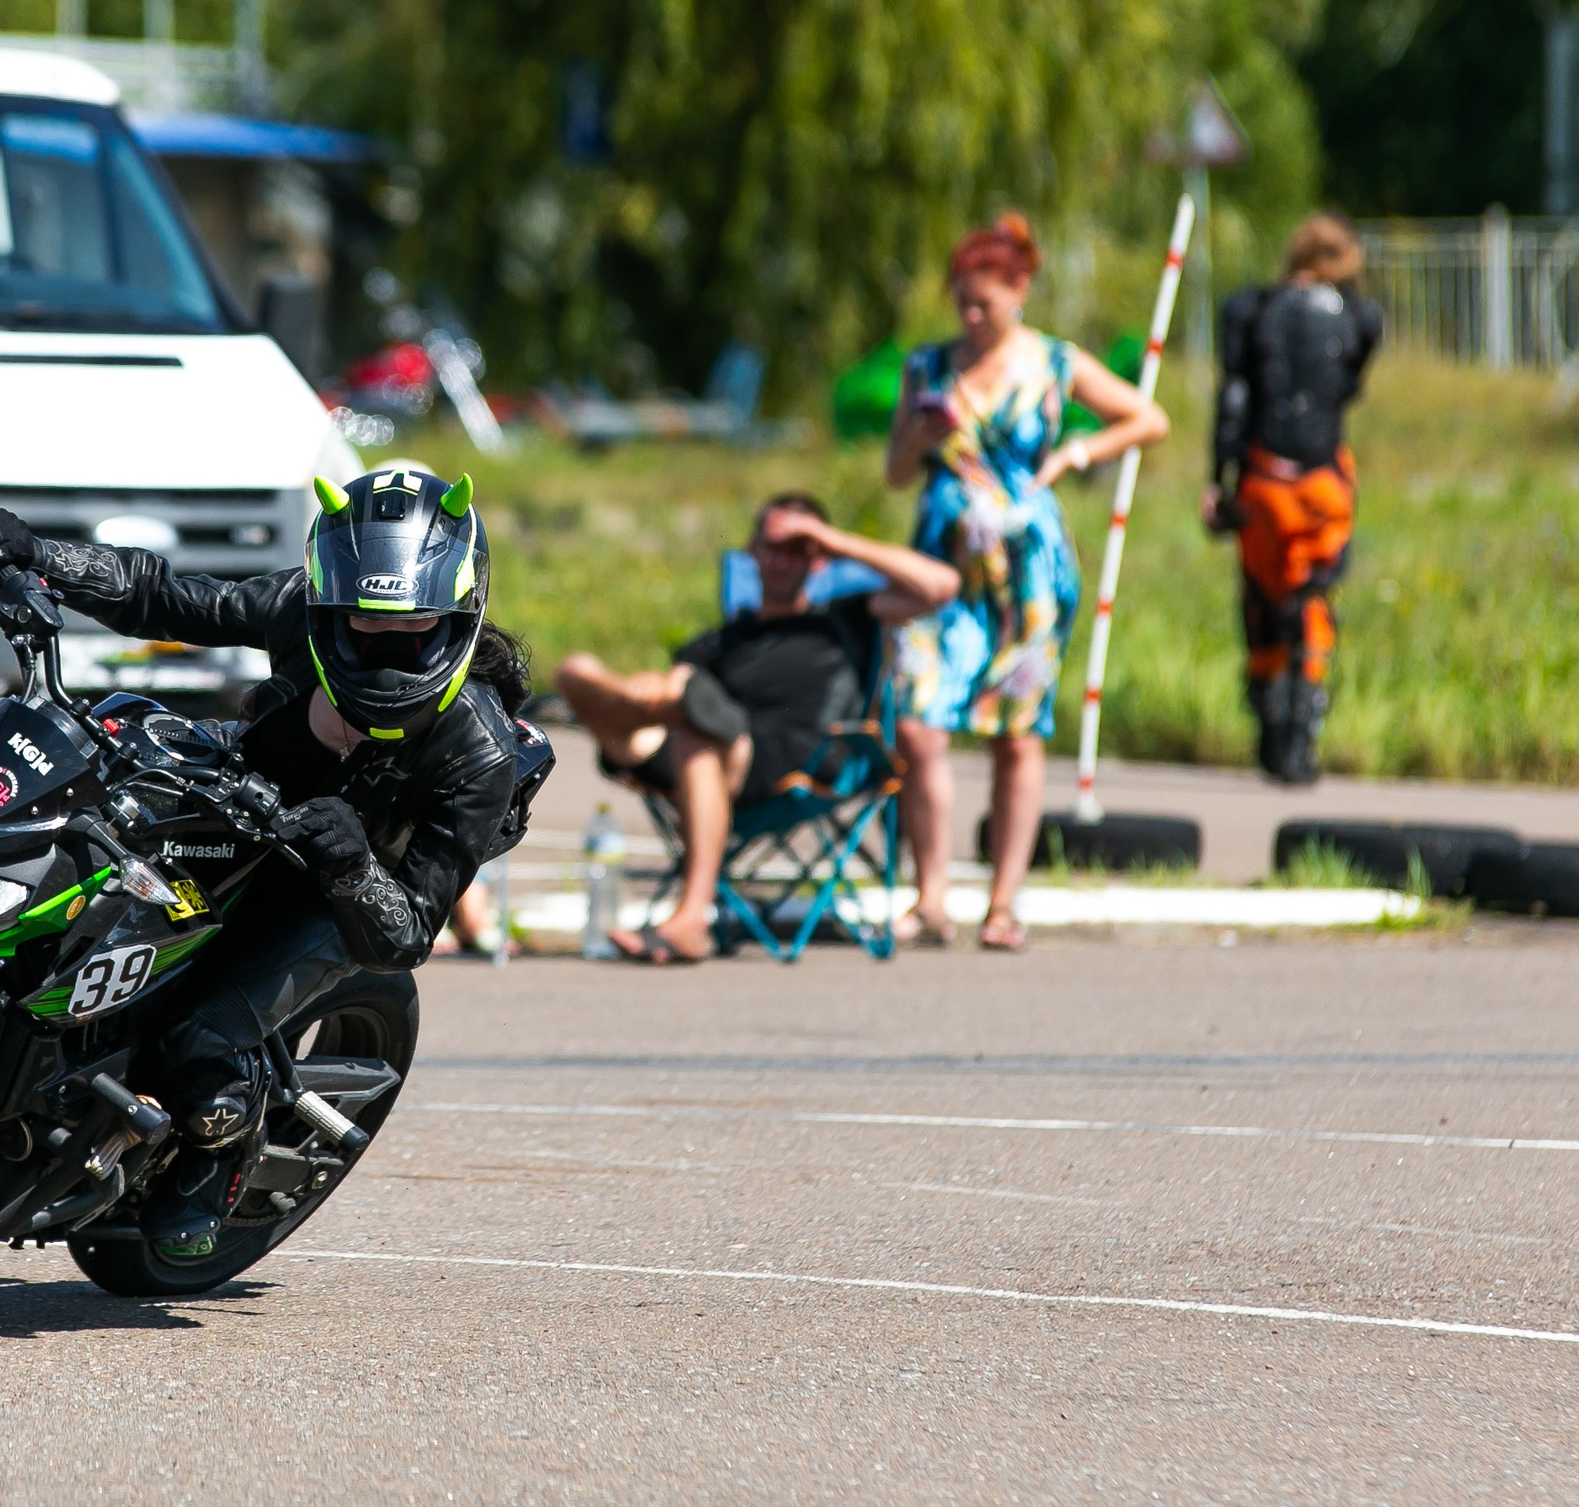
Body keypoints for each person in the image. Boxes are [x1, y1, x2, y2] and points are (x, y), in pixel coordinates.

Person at [0, 466, 535, 1262]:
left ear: (459, 614)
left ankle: (217, 1146)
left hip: (345, 894)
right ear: (327, 605)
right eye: (364, 625)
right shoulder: (296, 604)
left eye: (414, 626)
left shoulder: (480, 753)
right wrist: (38, 552)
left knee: (200, 1034)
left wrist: (354, 864)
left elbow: (407, 934)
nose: (388, 649)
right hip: (241, 799)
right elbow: (170, 597)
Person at [884, 213, 1170, 950]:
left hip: (1030, 572)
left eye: (984, 302)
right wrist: (919, 432)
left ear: (1021, 289)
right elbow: (894, 474)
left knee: (1017, 730)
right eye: (962, 304)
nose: (971, 317)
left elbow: (1147, 417)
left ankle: (1004, 901)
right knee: (918, 720)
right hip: (943, 564)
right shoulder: (928, 367)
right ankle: (931, 896)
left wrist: (1078, 453)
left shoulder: (1054, 362)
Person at [554, 494, 960, 963]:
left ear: (820, 557)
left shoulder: (846, 619)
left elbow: (942, 586)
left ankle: (691, 920)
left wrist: (831, 541)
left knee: (693, 728)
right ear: (751, 551)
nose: (783, 559)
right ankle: (654, 701)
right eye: (773, 546)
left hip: (799, 757)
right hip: (702, 757)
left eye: (798, 548)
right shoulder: (724, 641)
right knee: (579, 670)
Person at [1206, 213, 1381, 785]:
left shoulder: (1253, 310)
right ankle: (1302, 737)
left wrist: (1219, 478)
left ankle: (1270, 730)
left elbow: (1234, 399)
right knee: (1314, 598)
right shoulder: (1357, 316)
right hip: (1324, 482)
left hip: (1264, 478)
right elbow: (1351, 383)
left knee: (1262, 598)